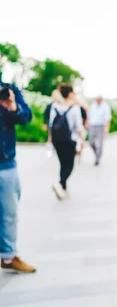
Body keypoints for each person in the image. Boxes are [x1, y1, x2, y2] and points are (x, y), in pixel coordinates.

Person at [0, 83, 35, 273]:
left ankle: (8, 257)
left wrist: (12, 106)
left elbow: (26, 116)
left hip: (5, 162)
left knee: (9, 214)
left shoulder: (8, 90)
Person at [48, 84, 85, 200]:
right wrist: (82, 140)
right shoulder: (75, 108)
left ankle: (63, 188)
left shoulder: (54, 106)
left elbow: (50, 124)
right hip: (70, 140)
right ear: (69, 94)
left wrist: (50, 139)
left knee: (63, 164)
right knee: (69, 165)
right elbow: (79, 126)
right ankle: (60, 183)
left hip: (57, 140)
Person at [87, 95, 111, 166]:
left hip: (101, 127)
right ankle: (96, 153)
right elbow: (89, 116)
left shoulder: (105, 106)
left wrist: (106, 129)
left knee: (100, 144)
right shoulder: (92, 106)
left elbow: (107, 118)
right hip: (92, 126)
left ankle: (97, 158)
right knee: (90, 142)